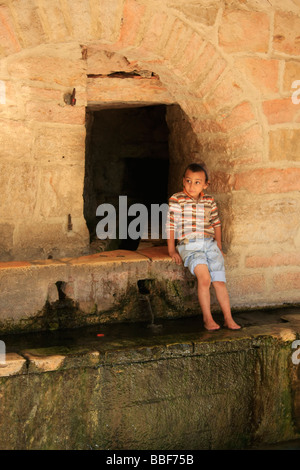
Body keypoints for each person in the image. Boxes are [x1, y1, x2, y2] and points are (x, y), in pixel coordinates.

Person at [166, 162, 241, 331]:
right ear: (183, 181)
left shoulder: (209, 201)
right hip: (190, 245)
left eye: (197, 182)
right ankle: (208, 319)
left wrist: (219, 246)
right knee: (205, 278)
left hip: (209, 244)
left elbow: (216, 224)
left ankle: (228, 318)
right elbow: (170, 225)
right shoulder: (177, 199)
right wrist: (172, 250)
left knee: (219, 281)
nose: (192, 186)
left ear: (206, 184)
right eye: (188, 181)